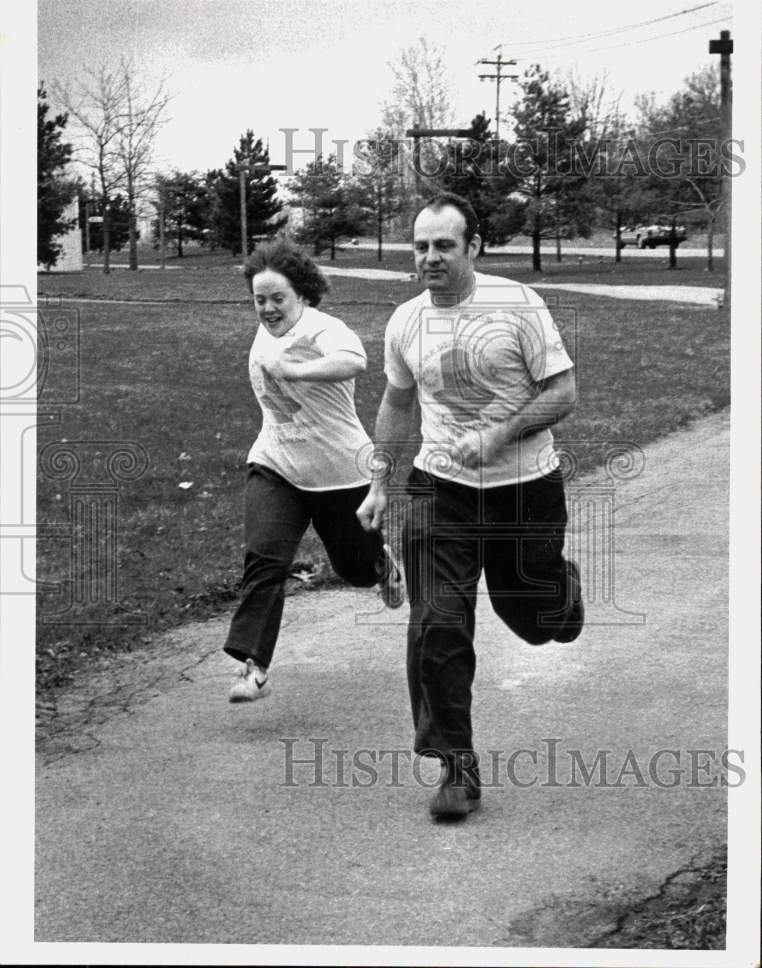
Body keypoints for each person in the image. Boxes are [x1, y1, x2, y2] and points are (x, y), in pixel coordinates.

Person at [357, 192, 584, 820]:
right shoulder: (405, 321)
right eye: (421, 247)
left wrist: (499, 433)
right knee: (437, 625)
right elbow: (398, 404)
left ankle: (561, 594)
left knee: (540, 622)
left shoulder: (517, 304)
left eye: (443, 246)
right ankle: (456, 766)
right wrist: (379, 481)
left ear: (473, 247)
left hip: (525, 491)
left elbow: (563, 391)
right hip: (440, 490)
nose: (430, 258)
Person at [224, 239, 403, 704]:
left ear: (300, 293)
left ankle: (382, 562)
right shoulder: (267, 330)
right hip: (276, 464)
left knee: (357, 571)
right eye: (259, 299)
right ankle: (254, 667)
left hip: (340, 471)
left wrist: (297, 372)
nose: (267, 308)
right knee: (265, 558)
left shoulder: (325, 328)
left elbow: (355, 361)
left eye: (277, 298)